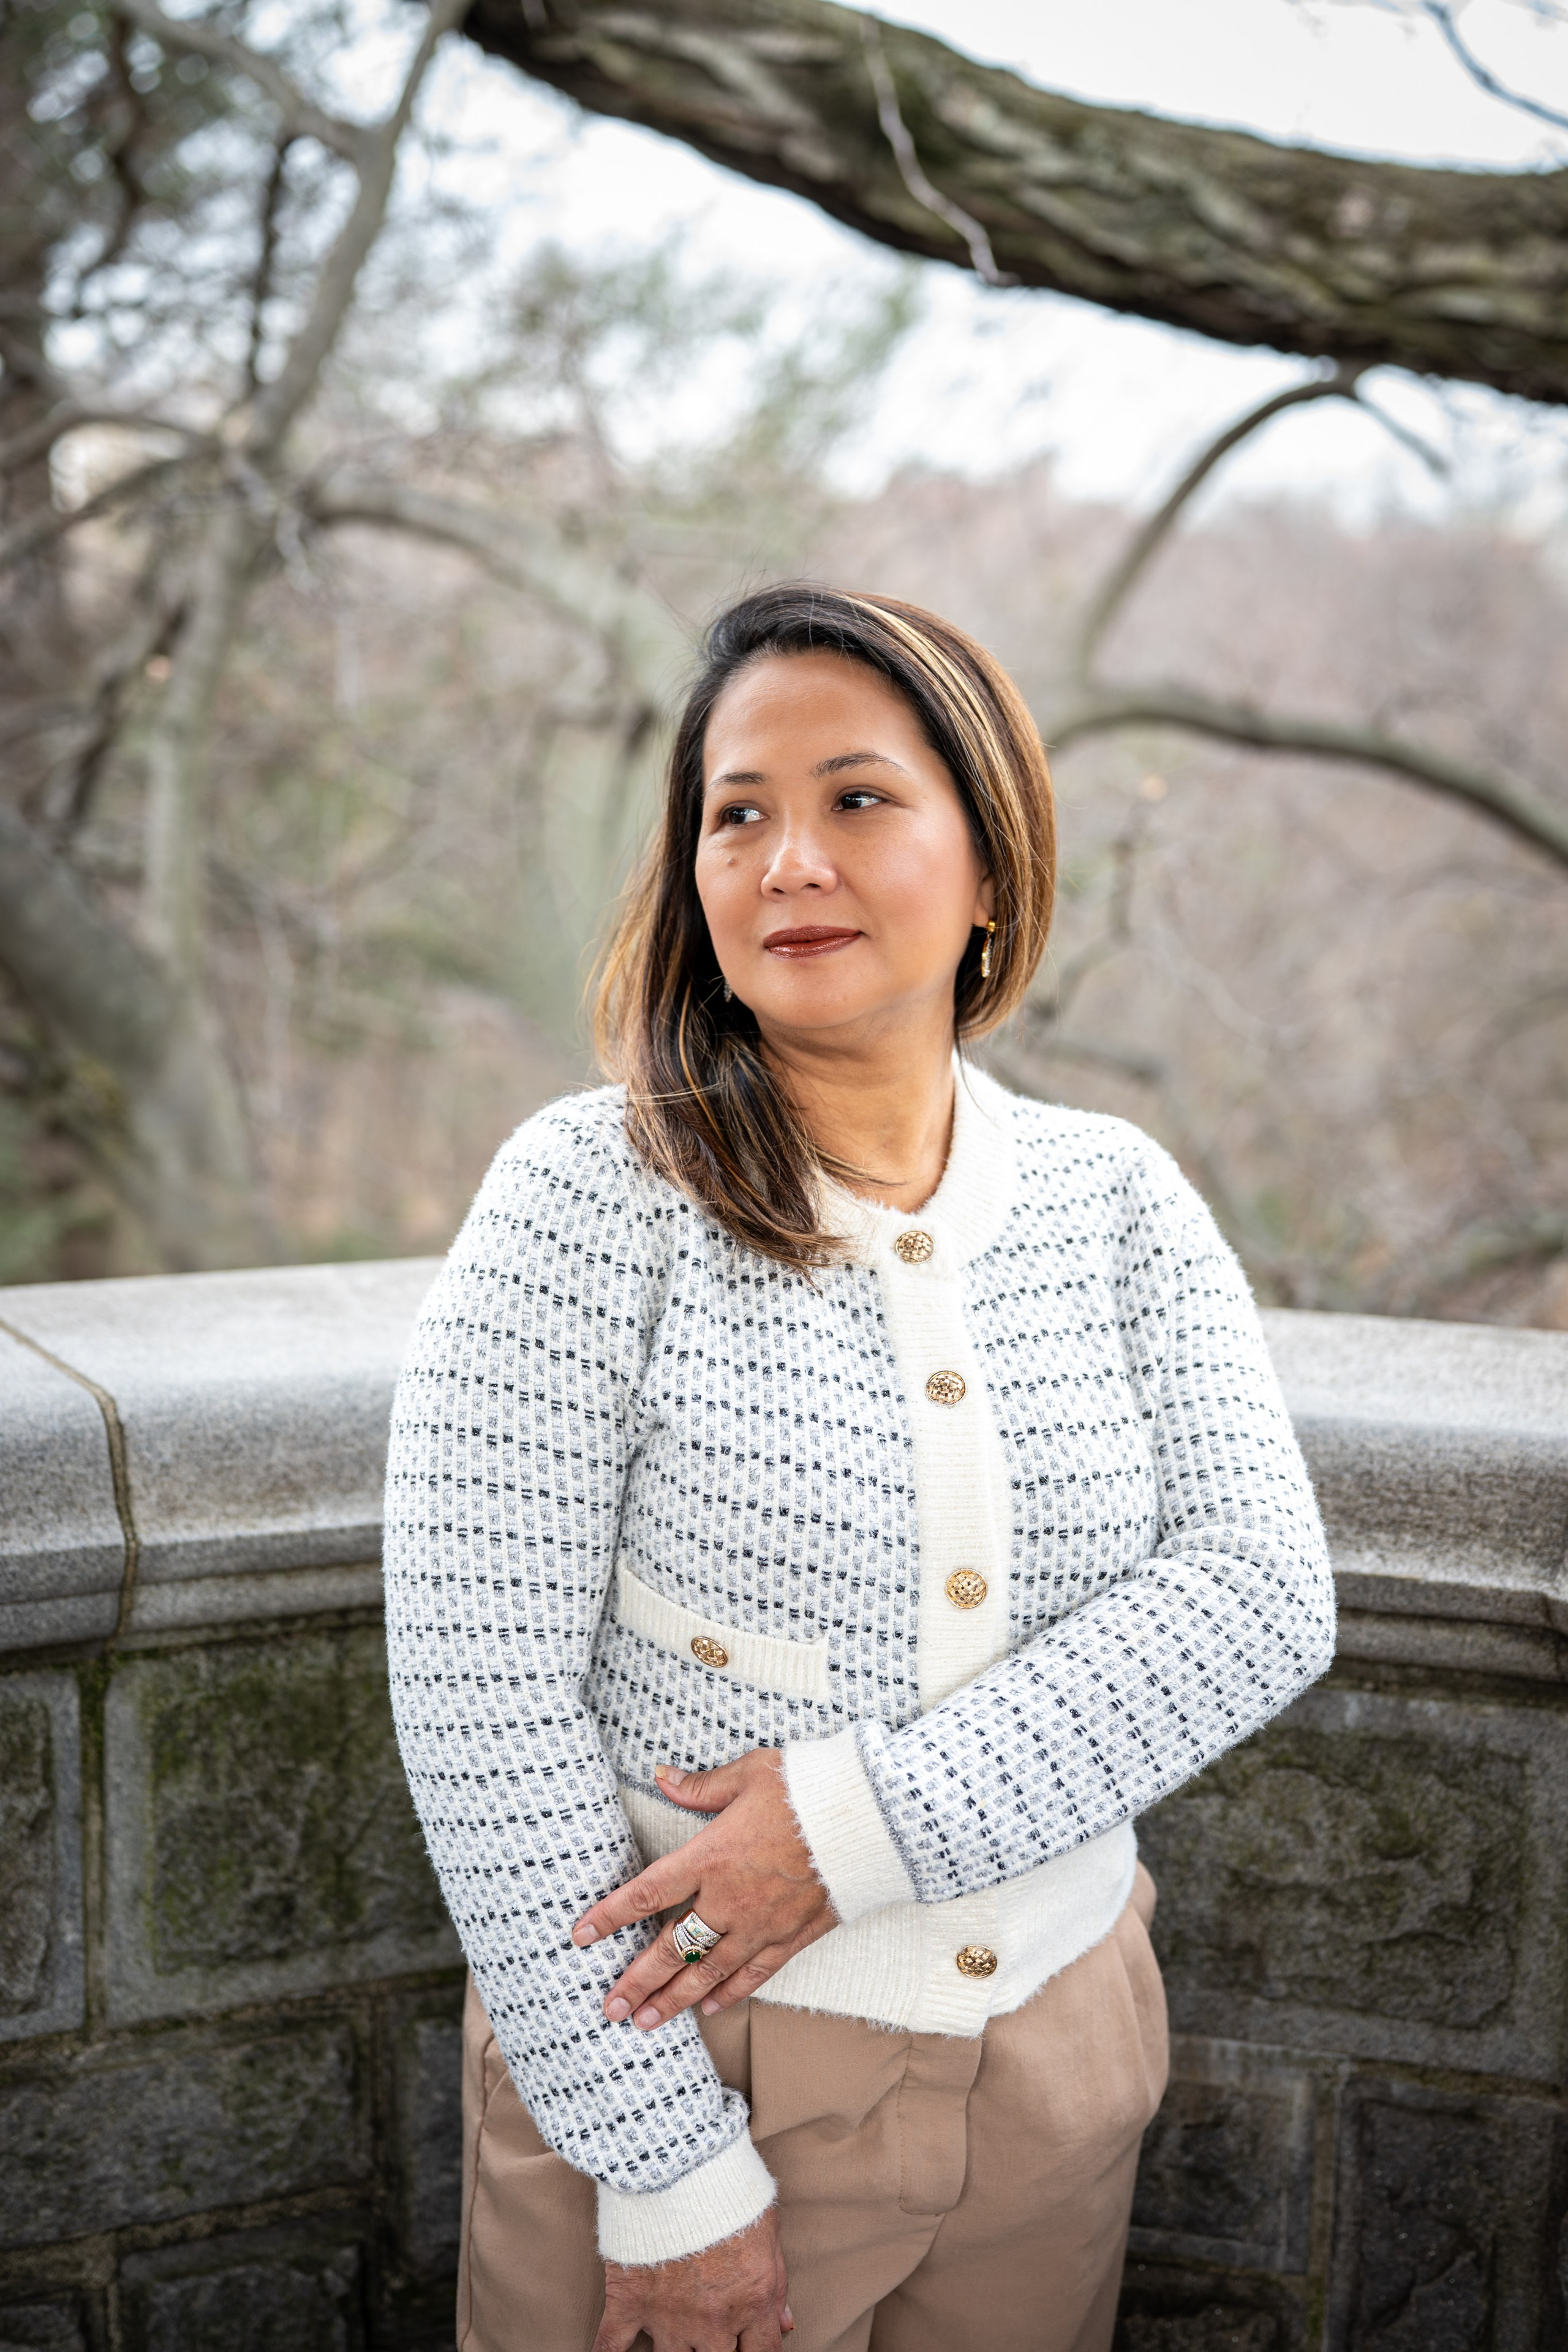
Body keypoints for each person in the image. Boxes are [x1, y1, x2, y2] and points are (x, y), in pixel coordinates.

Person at [383, 584, 1335, 2352]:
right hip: (688, 2068)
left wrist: (855, 1831)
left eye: (858, 799)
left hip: (1053, 2058)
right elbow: (479, 1703)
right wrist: (664, 2172)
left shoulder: (1116, 1201)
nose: (787, 861)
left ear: (992, 867)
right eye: (736, 814)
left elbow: (1263, 1593)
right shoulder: (589, 1197)